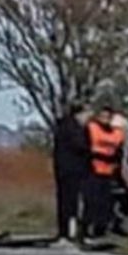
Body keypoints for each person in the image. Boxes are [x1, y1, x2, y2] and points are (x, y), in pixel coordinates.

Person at [52, 101, 91, 245]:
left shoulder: (63, 126)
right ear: (79, 113)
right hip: (72, 170)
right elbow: (80, 146)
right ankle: (68, 233)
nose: (88, 117)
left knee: (66, 202)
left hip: (64, 169)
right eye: (86, 114)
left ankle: (67, 232)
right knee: (70, 203)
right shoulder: (72, 128)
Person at [83, 106, 126, 239]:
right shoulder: (91, 128)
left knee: (106, 204)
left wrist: (115, 163)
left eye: (108, 117)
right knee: (91, 202)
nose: (105, 119)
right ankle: (85, 229)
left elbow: (119, 152)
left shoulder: (117, 133)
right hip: (93, 170)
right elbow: (85, 149)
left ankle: (100, 229)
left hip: (109, 172)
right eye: (102, 116)